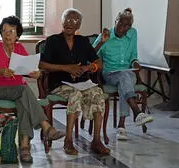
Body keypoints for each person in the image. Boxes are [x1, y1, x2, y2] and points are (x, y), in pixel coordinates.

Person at [0, 15, 65, 163]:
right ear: (0, 33)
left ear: (17, 34)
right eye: (4, 30)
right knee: (23, 90)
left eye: (12, 31)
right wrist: (0, 71)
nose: (8, 34)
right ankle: (46, 126)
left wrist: (36, 73)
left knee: (23, 102)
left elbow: (28, 68)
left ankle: (25, 147)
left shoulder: (19, 48)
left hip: (18, 90)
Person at [39, 8, 110, 155]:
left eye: (75, 20)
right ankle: (68, 141)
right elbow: (42, 65)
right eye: (68, 19)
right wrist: (66, 68)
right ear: (62, 22)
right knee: (75, 94)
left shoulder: (83, 42)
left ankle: (96, 141)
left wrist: (89, 67)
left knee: (97, 93)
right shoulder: (53, 41)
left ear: (79, 25)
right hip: (60, 84)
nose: (71, 23)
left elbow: (98, 62)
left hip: (83, 82)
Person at [93, 8, 153, 140]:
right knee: (124, 78)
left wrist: (135, 63)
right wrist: (102, 42)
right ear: (115, 21)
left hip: (128, 72)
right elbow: (90, 56)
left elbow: (133, 56)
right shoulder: (106, 35)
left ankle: (122, 126)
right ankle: (136, 113)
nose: (124, 28)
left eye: (128, 25)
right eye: (121, 23)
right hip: (109, 74)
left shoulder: (133, 33)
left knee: (124, 79)